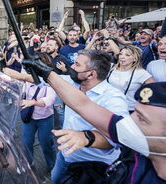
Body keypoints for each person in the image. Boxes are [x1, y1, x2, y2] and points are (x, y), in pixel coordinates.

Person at [23, 59, 166, 183]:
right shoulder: (140, 146)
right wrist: (46, 72)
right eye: (134, 112)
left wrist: (86, 139)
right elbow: (83, 105)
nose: (130, 119)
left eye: (141, 118)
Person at [21, 50, 129, 183]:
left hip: (94, 166)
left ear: (91, 74)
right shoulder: (73, 84)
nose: (71, 66)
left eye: (77, 65)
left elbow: (120, 136)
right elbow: (46, 79)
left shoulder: (114, 98)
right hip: (65, 157)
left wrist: (86, 137)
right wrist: (22, 73)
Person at [3, 52, 56, 172]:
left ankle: (52, 165)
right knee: (26, 142)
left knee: (46, 144)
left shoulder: (50, 79)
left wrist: (33, 102)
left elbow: (51, 99)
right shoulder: (27, 76)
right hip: (30, 118)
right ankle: (28, 163)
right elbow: (17, 83)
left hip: (45, 118)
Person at [107, 46, 154, 112]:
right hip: (108, 106)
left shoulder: (140, 73)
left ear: (135, 59)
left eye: (127, 55)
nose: (122, 57)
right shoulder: (111, 67)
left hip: (128, 110)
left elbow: (154, 89)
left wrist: (144, 103)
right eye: (121, 54)